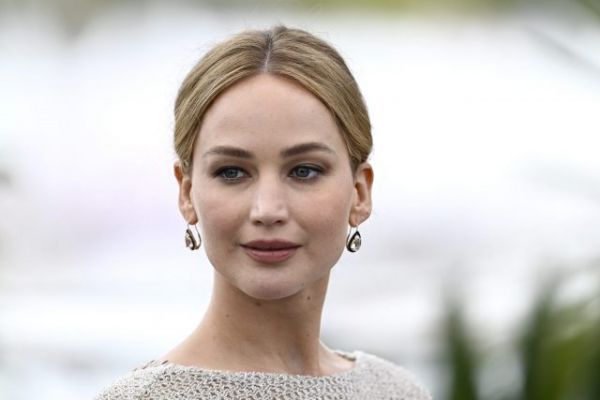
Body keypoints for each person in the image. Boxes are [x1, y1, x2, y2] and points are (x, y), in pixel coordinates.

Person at [96, 25, 431, 400]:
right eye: (232, 172)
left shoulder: (397, 392)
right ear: (187, 193)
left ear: (359, 192)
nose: (268, 210)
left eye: (304, 171)